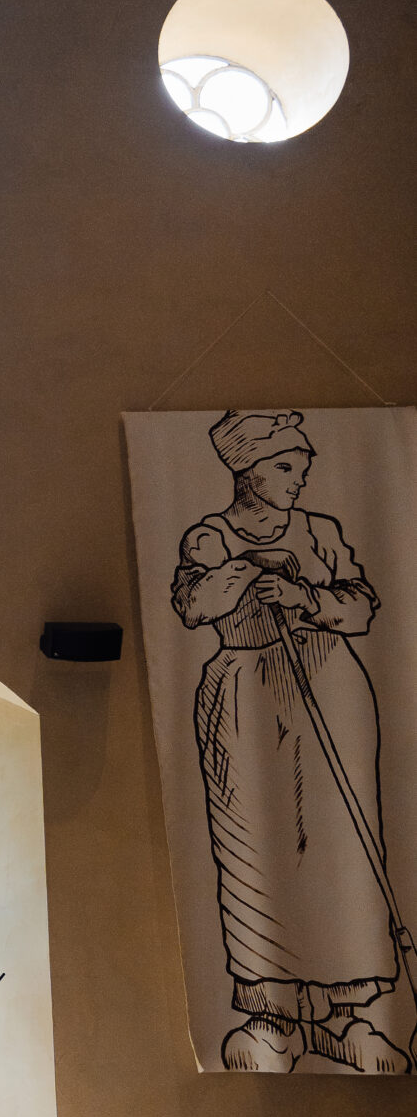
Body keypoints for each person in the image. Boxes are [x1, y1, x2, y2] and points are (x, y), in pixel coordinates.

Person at [171, 409, 405, 1074]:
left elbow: (360, 605)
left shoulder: (319, 531)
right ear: (246, 470)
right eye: (284, 467)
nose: (298, 479)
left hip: (329, 688)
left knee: (339, 845)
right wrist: (245, 574)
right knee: (254, 844)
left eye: (302, 467)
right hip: (245, 694)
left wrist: (304, 596)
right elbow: (192, 606)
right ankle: (270, 1013)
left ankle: (343, 1014)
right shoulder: (209, 536)